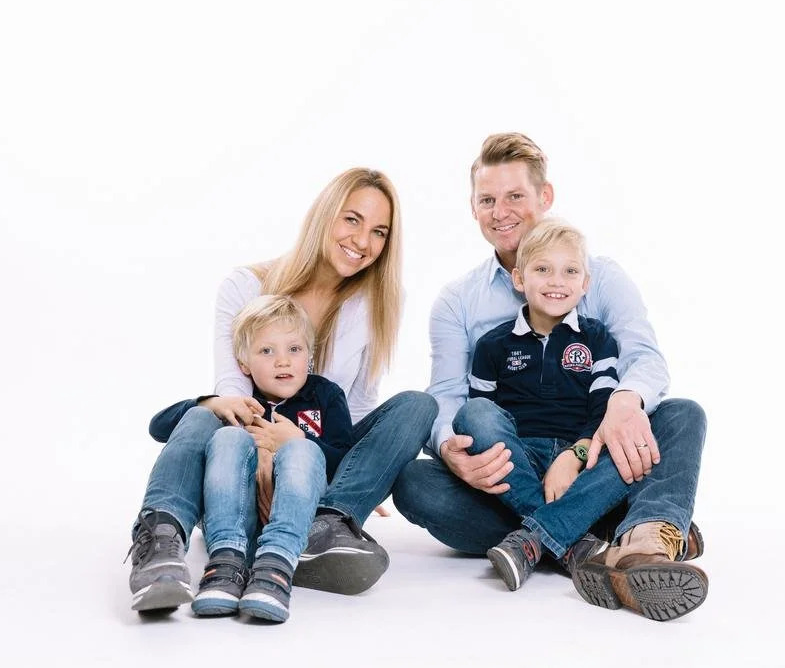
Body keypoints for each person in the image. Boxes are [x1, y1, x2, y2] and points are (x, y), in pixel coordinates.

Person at [392, 133, 708, 622]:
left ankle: (617, 541)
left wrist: (619, 408)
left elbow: (646, 359)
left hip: (587, 455)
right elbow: (449, 397)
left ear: (545, 196)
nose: (501, 212)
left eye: (515, 196)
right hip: (508, 465)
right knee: (415, 481)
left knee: (682, 415)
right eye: (487, 200)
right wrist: (452, 450)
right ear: (473, 208)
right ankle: (597, 536)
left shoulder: (600, 276)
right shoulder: (458, 302)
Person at [126, 167, 437, 613]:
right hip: (240, 468)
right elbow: (233, 395)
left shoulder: (379, 300)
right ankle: (162, 540)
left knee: (417, 406)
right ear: (325, 215)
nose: (363, 241)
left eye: (379, 231)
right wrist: (268, 450)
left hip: (313, 471)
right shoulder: (245, 286)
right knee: (205, 412)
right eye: (352, 219)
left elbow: (358, 405)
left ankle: (328, 524)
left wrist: (357, 476)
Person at [140, 295, 353, 622]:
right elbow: (159, 426)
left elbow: (344, 460)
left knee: (302, 449)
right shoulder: (240, 402)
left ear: (309, 355)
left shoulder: (325, 395)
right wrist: (211, 403)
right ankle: (226, 562)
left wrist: (298, 439)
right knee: (228, 437)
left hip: (296, 522)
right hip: (235, 518)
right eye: (267, 351)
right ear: (243, 364)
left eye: (294, 349)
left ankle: (276, 564)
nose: (283, 361)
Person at [458, 218, 633, 592]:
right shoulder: (493, 345)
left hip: (582, 459)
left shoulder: (597, 338)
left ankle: (533, 539)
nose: (557, 281)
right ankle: (572, 540)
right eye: (542, 269)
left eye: (570, 271)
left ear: (585, 283)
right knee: (467, 421)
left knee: (635, 448)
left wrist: (575, 455)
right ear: (519, 279)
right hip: (517, 460)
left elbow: (603, 409)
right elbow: (481, 420)